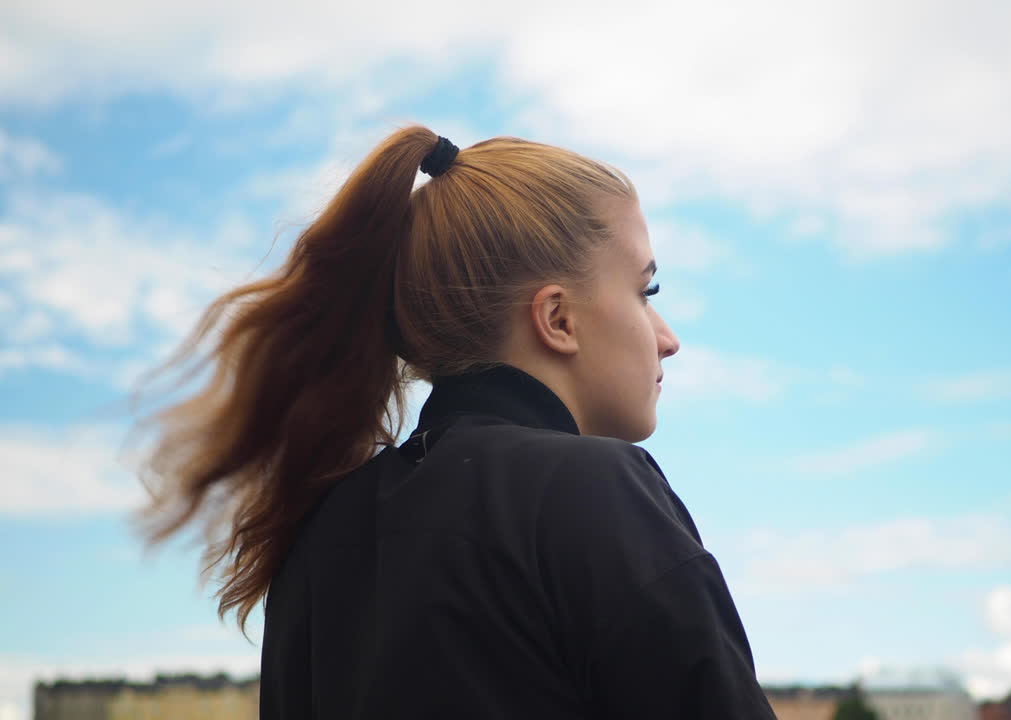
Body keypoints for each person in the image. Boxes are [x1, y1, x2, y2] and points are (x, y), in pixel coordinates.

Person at [135, 126, 778, 718]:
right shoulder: (592, 489)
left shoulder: (316, 535)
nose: (667, 339)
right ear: (557, 319)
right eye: (646, 293)